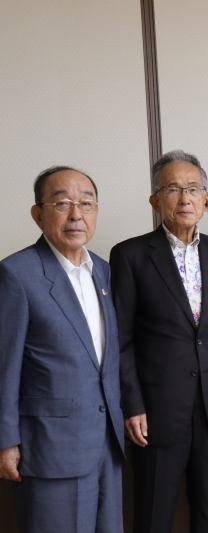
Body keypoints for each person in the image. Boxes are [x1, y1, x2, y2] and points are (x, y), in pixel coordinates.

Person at [110, 150, 208, 532]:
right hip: (157, 410)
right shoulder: (131, 255)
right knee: (154, 511)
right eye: (173, 189)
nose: (184, 198)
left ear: (207, 199)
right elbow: (120, 340)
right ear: (156, 200)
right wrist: (132, 404)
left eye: (193, 189)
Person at [0, 166, 125, 533]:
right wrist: (6, 442)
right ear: (38, 214)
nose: (76, 214)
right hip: (51, 450)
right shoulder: (16, 274)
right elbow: (3, 367)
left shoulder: (104, 272)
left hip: (107, 446)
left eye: (86, 203)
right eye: (62, 203)